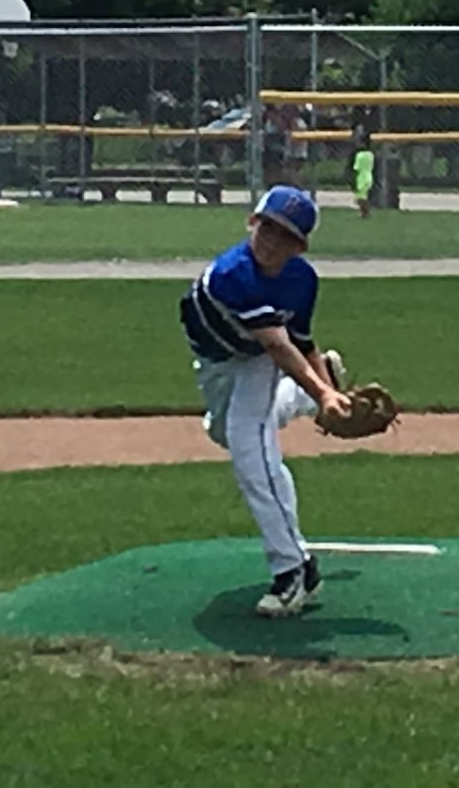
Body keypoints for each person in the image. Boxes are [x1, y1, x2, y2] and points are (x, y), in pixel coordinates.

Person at [178, 185, 352, 618]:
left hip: (257, 359)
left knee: (250, 450)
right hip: (218, 363)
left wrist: (329, 390)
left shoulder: (302, 279)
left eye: (286, 235)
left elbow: (293, 343)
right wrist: (323, 393)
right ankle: (303, 399)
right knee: (224, 432)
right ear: (252, 222)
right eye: (268, 227)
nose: (272, 240)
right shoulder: (233, 273)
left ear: (301, 246)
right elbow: (279, 343)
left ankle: (293, 569)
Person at [351, 138, 375, 219]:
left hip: (361, 178)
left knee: (360, 198)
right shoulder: (370, 154)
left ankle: (366, 213)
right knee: (363, 197)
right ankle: (364, 213)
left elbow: (356, 169)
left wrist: (353, 180)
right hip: (369, 176)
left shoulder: (359, 155)